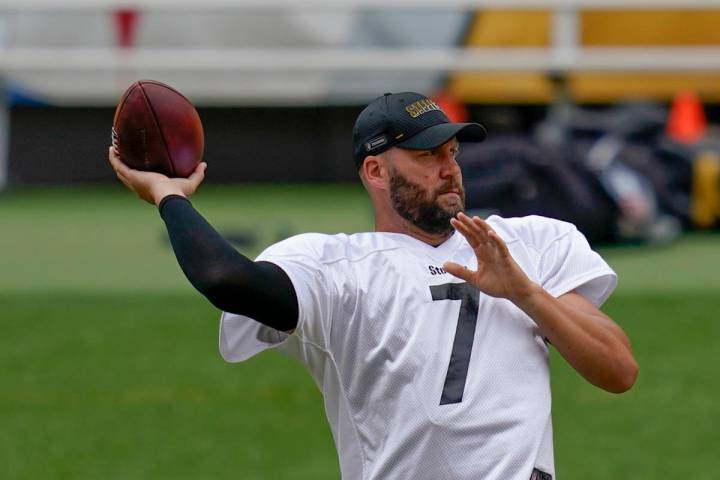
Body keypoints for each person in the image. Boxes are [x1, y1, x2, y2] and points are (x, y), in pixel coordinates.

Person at [108, 92, 638, 480]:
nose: (450, 169)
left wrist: (525, 293)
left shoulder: (530, 242)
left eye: (451, 152)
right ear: (376, 172)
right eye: (428, 156)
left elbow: (618, 370)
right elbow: (227, 279)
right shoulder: (337, 267)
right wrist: (169, 197)